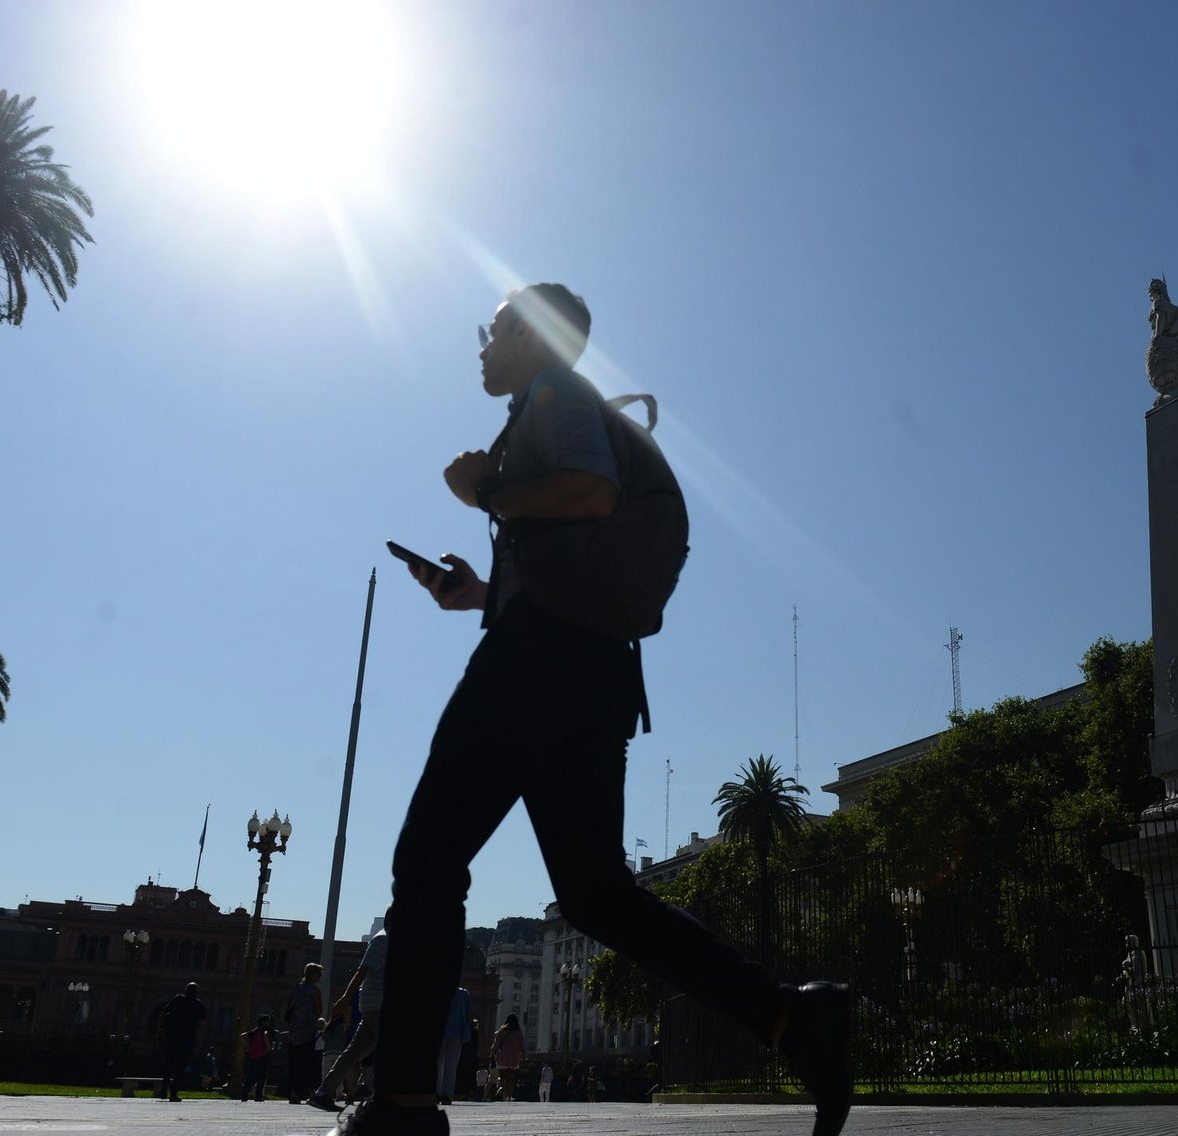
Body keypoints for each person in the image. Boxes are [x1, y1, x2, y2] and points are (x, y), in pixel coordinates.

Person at [333, 285, 852, 1136]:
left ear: (533, 337)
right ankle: (794, 1017)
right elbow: (569, 552)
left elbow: (591, 494)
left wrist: (489, 493)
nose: (482, 345)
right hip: (594, 672)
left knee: (428, 861)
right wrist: (478, 594)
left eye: (494, 329)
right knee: (598, 895)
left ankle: (401, 1107)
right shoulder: (549, 407)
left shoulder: (554, 398)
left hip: (536, 667)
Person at [309, 929, 388, 1111]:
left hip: (376, 1006)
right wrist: (344, 1000)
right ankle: (377, 1092)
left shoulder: (391, 941)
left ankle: (323, 1093)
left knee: (354, 1052)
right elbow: (362, 971)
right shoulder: (382, 940)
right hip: (378, 1006)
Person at [156, 981, 205, 1103]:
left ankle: (163, 1090)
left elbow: (164, 1014)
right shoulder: (198, 1004)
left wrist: (160, 1031)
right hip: (187, 1038)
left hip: (171, 1036)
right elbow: (200, 1025)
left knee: (168, 1064)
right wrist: (198, 1044)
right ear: (196, 992)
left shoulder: (177, 999)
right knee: (180, 1067)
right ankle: (173, 1093)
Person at [285, 962, 324, 1104]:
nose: (319, 976)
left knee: (293, 1062)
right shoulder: (315, 990)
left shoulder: (297, 987)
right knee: (305, 1062)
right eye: (318, 973)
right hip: (307, 1031)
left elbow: (289, 1004)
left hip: (295, 1029)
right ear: (312, 974)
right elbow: (319, 1009)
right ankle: (302, 1090)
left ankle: (292, 1091)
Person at [434, 986, 472, 1105]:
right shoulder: (464, 993)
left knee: (438, 1064)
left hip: (440, 1032)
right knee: (451, 1066)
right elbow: (469, 1014)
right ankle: (447, 1095)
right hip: (458, 1033)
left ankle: (436, 1092)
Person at [490, 1013, 525, 1101]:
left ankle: (502, 1088)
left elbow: (496, 1044)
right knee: (511, 1079)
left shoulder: (501, 1031)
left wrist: (492, 1053)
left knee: (502, 1077)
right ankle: (509, 1096)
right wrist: (524, 1056)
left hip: (502, 1057)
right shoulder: (519, 1033)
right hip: (514, 1058)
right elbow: (522, 1046)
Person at [239, 1014, 273, 1102]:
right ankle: (258, 1096)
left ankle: (244, 1095)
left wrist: (249, 1046)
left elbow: (242, 1036)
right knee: (262, 1076)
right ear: (264, 1022)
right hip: (262, 1056)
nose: (269, 1022)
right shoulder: (264, 1030)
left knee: (250, 1076)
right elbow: (266, 1037)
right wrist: (268, 1047)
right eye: (268, 1021)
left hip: (253, 1056)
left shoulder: (254, 1031)